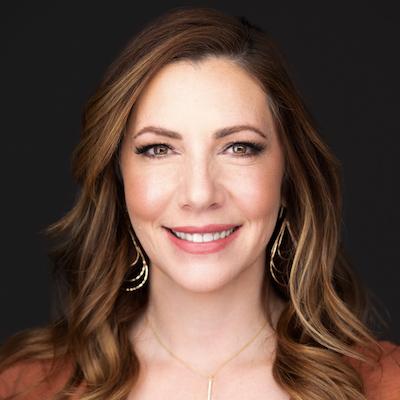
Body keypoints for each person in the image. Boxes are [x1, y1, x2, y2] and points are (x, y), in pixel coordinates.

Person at [0, 6, 399, 400]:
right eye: (158, 149)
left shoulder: (385, 385)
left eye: (238, 147)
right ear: (118, 176)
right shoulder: (24, 387)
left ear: (288, 173)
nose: (199, 194)